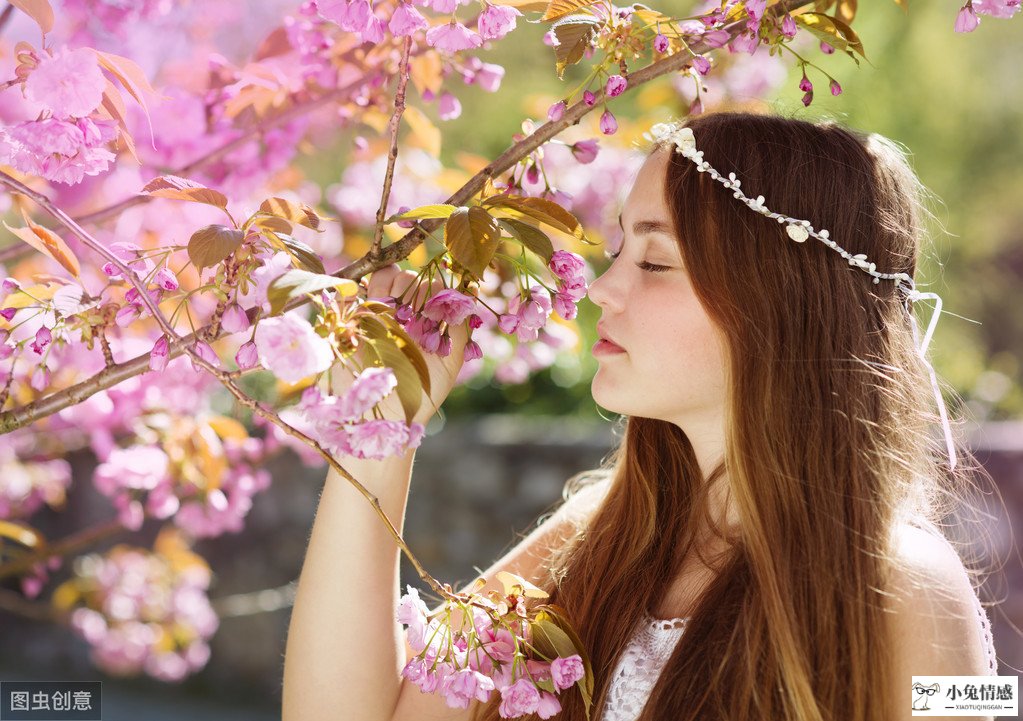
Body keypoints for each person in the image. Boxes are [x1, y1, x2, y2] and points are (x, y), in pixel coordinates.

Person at [282, 111, 998, 721]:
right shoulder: (591, 538)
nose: (604, 288)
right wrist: (378, 432)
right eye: (620, 247)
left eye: (654, 263)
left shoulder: (915, 582)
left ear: (779, 303)